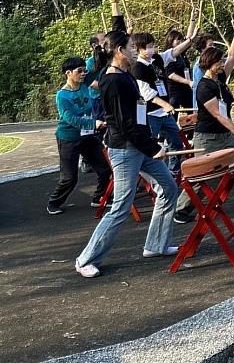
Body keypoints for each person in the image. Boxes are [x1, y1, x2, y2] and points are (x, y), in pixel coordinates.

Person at [75, 31, 178, 278]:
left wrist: (116, 5)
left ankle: (156, 245)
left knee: (169, 188)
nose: (135, 50)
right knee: (121, 206)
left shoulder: (123, 74)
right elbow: (126, 125)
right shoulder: (114, 81)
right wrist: (154, 148)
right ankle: (85, 259)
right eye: (131, 47)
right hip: (125, 149)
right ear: (119, 51)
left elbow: (136, 119)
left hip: (139, 146)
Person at [174, 21, 234, 223]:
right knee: (203, 175)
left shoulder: (220, 78)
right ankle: (181, 210)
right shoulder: (204, 87)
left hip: (226, 136)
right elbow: (218, 115)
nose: (222, 63)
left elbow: (232, 56)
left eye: (221, 61)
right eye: (218, 62)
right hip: (208, 139)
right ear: (208, 64)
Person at [47, 58, 112, 215]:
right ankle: (54, 202)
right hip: (69, 138)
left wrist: (103, 50)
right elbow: (70, 119)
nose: (83, 74)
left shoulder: (84, 84)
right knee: (69, 178)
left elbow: (99, 66)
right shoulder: (62, 96)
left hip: (88, 136)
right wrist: (93, 124)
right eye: (79, 71)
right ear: (68, 73)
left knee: (105, 168)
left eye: (84, 70)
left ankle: (99, 197)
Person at [130, 32, 184, 174]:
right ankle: (154, 175)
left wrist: (190, 39)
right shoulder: (137, 68)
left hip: (165, 114)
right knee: (151, 146)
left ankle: (174, 171)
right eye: (148, 47)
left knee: (177, 143)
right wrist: (165, 104)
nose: (151, 50)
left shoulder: (157, 59)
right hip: (150, 114)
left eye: (152, 46)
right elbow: (147, 93)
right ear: (139, 49)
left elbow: (173, 52)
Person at [163, 30, 194, 109]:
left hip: (186, 89)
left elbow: (188, 40)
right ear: (171, 41)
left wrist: (193, 19)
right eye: (178, 40)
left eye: (181, 40)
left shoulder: (181, 54)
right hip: (174, 91)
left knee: (191, 112)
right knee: (173, 112)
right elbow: (171, 75)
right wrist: (188, 82)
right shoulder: (167, 56)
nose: (181, 42)